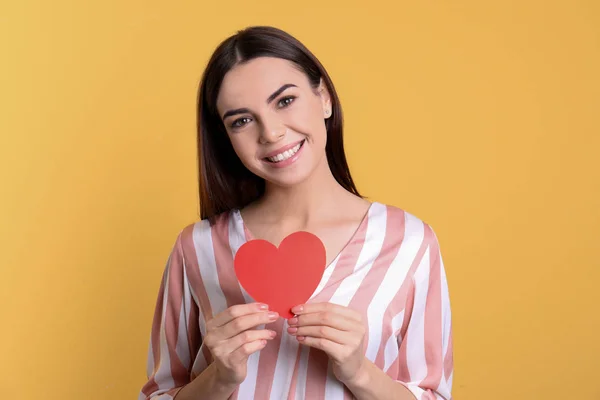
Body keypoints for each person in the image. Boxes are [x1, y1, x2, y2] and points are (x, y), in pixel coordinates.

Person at [138, 26, 453, 400]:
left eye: (285, 101)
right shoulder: (197, 248)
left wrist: (360, 372)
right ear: (226, 138)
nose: (270, 133)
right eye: (241, 120)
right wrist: (220, 378)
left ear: (324, 98)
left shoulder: (409, 242)